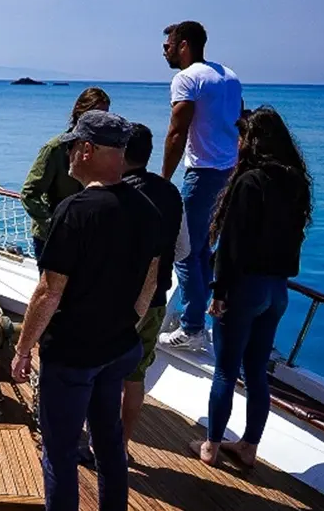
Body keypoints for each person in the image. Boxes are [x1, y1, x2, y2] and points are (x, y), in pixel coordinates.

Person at [10, 111, 161, 511]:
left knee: (59, 451)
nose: (70, 154)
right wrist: (128, 323)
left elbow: (48, 292)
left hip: (74, 353)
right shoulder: (147, 209)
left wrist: (24, 349)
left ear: (88, 150)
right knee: (109, 441)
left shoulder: (75, 211)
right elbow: (151, 277)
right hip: (118, 348)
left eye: (73, 146)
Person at [191, 106, 312, 467]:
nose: (238, 143)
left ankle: (211, 447)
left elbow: (232, 244)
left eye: (242, 137)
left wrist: (220, 292)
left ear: (252, 141)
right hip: (277, 291)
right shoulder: (296, 183)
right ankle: (248, 448)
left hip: (245, 289)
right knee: (257, 372)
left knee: (226, 370)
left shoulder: (249, 181)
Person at [158, 20, 244, 350]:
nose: (164, 51)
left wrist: (164, 180)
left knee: (184, 250)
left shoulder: (187, 78)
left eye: (167, 45)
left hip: (203, 173)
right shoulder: (230, 75)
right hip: (230, 174)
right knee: (204, 249)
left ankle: (193, 326)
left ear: (183, 45)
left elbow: (177, 132)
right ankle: (200, 318)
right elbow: (240, 120)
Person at [120, 124, 189, 449]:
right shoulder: (171, 193)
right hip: (156, 299)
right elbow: (184, 249)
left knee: (103, 374)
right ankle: (122, 444)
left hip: (116, 303)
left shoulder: (117, 193)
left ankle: (95, 442)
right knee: (135, 377)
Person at [21, 87, 111, 259]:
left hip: (87, 235)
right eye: (95, 115)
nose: (100, 121)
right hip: (52, 236)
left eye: (105, 116)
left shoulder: (102, 151)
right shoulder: (55, 149)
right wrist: (53, 225)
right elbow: (29, 193)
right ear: (79, 112)